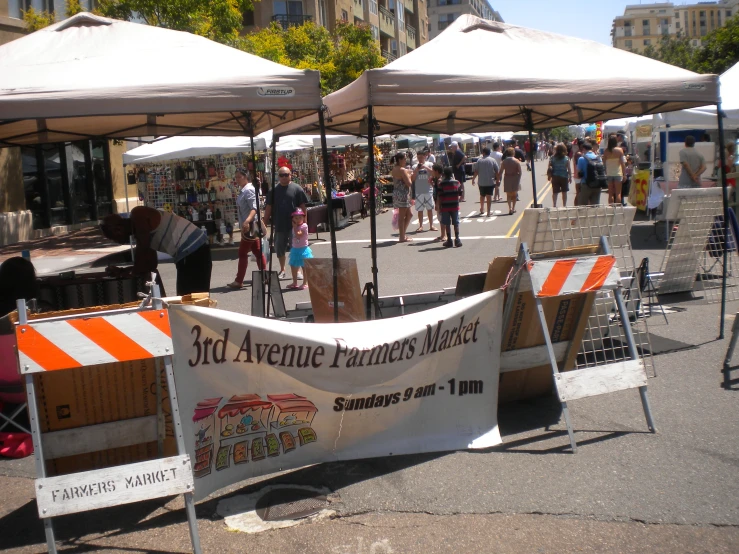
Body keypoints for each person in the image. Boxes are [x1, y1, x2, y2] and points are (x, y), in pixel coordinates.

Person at [100, 206, 211, 296]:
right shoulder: (142, 233)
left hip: (192, 250)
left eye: (112, 237)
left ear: (117, 229)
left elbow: (142, 251)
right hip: (192, 252)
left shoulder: (138, 214)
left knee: (190, 299)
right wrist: (124, 271)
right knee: (192, 298)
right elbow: (150, 265)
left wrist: (128, 272)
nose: (115, 241)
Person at [264, 167, 308, 278]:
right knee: (279, 248)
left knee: (296, 248)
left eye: (286, 174)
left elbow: (303, 207)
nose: (284, 177)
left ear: (290, 175)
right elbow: (268, 207)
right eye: (281, 175)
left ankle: (297, 271)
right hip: (279, 224)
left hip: (295, 225)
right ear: (278, 176)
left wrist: (304, 223)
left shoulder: (297, 189)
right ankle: (282, 269)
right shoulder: (273, 191)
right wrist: (264, 223)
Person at [227, 169, 266, 290]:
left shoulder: (248, 189)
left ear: (245, 177)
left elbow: (254, 208)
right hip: (249, 224)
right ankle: (265, 276)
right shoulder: (244, 190)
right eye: (236, 177)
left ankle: (239, 280)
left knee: (243, 252)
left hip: (250, 225)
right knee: (258, 251)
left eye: (239, 177)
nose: (237, 179)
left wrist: (247, 221)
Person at [286, 209, 313, 290]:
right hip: (295, 249)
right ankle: (295, 282)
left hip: (303, 249)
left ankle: (305, 282)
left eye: (300, 218)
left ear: (303, 218)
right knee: (293, 265)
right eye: (296, 218)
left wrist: (295, 227)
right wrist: (294, 227)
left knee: (304, 266)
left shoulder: (304, 226)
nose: (298, 220)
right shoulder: (294, 227)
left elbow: (298, 235)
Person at [391, 152, 414, 243]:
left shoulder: (394, 169)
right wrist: (409, 174)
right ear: (400, 160)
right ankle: (402, 237)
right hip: (403, 194)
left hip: (397, 193)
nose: (405, 160)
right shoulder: (402, 170)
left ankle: (403, 235)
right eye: (404, 159)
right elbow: (409, 183)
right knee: (402, 216)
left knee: (409, 214)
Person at [412, 150, 437, 232]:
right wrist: (416, 169)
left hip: (428, 190)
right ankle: (420, 226)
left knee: (430, 209)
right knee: (420, 210)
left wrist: (425, 167)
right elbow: (412, 178)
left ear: (425, 157)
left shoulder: (430, 164)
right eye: (418, 158)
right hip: (419, 191)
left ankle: (431, 225)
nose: (420, 159)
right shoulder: (414, 166)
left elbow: (434, 174)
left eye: (421, 157)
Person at [439, 166, 462, 248]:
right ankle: (457, 239)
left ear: (444, 174)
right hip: (455, 205)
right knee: (456, 223)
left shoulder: (441, 184)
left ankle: (449, 240)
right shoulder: (456, 182)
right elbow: (460, 193)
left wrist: (439, 206)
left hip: (445, 206)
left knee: (447, 223)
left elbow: (440, 196)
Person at [471, 147, 499, 216]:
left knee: (482, 195)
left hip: (481, 182)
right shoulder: (493, 160)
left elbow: (476, 171)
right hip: (490, 181)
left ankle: (482, 209)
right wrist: (498, 179)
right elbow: (497, 171)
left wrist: (473, 179)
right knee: (489, 197)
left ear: (483, 153)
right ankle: (489, 212)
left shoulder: (479, 161)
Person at [602, 134, 627, 204]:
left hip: (609, 173)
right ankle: (617, 210)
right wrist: (624, 174)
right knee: (618, 193)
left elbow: (604, 162)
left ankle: (611, 208)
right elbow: (622, 163)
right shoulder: (619, 150)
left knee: (610, 193)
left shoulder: (606, 151)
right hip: (618, 173)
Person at [499, 147, 523, 215]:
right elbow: (520, 172)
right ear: (513, 153)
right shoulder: (516, 161)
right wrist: (518, 179)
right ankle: (513, 207)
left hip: (507, 178)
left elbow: (501, 171)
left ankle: (509, 208)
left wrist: (498, 178)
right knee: (514, 195)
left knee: (508, 195)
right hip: (515, 178)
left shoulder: (504, 161)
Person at [548, 143, 571, 208]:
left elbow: (549, 167)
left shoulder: (552, 158)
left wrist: (549, 176)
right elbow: (568, 168)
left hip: (555, 176)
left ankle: (554, 205)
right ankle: (564, 205)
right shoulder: (566, 158)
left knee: (555, 192)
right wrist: (570, 177)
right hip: (564, 176)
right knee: (564, 192)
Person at [430, 162, 447, 242]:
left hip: (441, 202)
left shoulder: (439, 180)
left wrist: (437, 204)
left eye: (433, 170)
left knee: (442, 218)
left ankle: (444, 235)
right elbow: (437, 190)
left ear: (436, 171)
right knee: (440, 218)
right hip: (439, 201)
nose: (432, 172)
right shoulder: (437, 179)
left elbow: (440, 193)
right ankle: (442, 234)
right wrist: (432, 184)